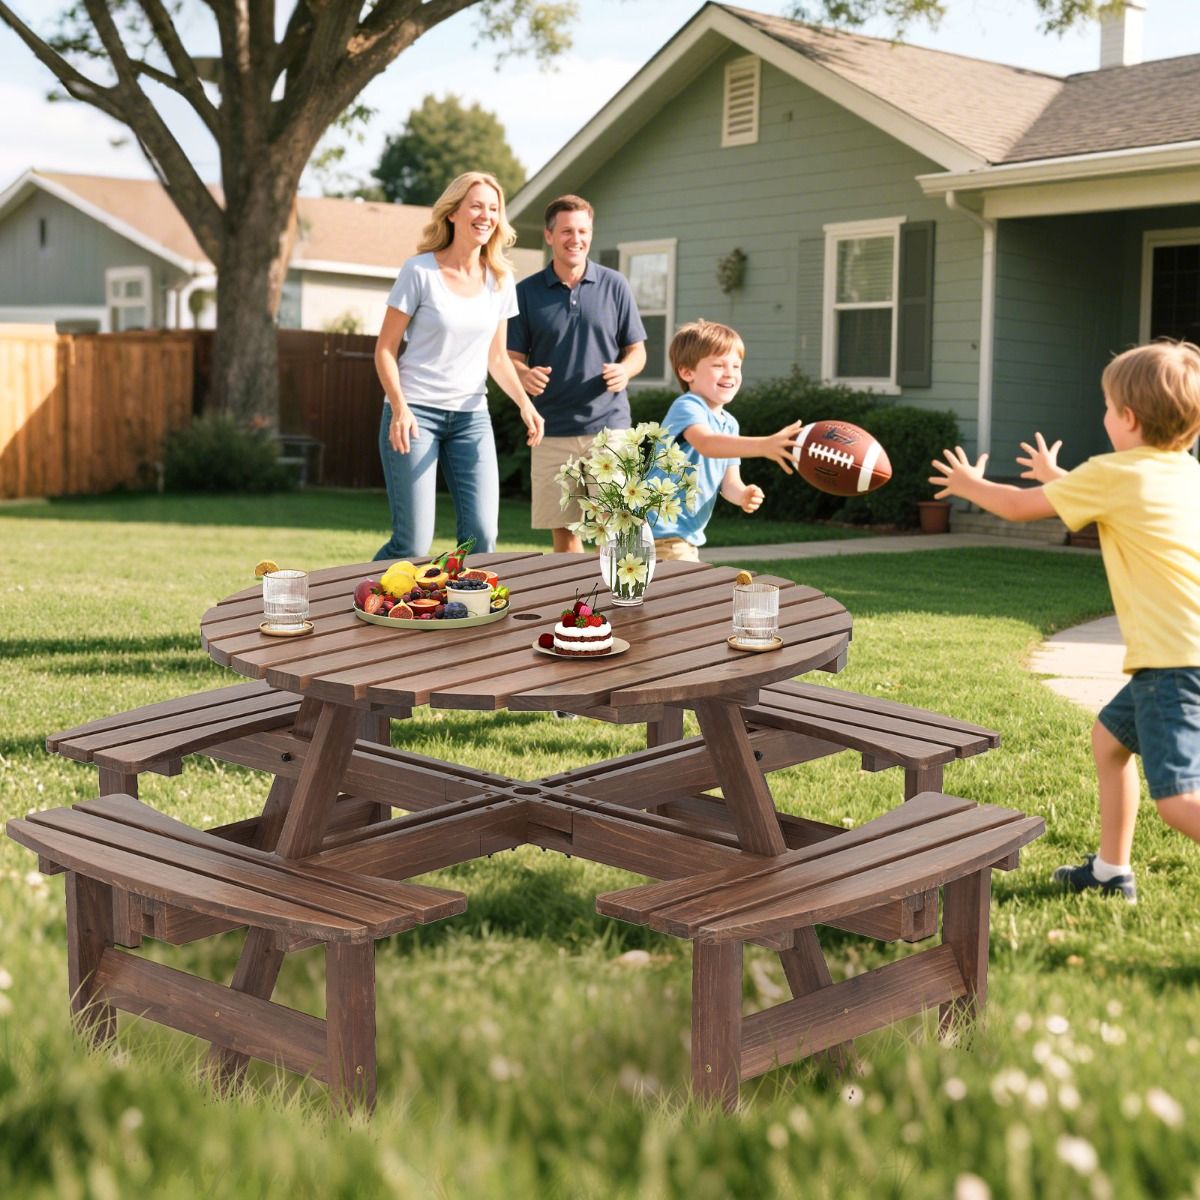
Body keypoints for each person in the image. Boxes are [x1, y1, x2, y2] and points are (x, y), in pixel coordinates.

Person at [929, 340, 1200, 905]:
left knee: (1177, 800)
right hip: (1184, 649)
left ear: (1127, 417)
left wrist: (968, 484)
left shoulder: (1111, 475)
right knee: (1109, 742)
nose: (1103, 415)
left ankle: (1112, 869)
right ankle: (1110, 870)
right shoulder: (1182, 472)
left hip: (1174, 658)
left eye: (1106, 405)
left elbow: (1017, 506)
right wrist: (1063, 478)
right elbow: (1122, 496)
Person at [373, 171, 544, 560]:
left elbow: (497, 357)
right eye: (477, 206)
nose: (486, 216)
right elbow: (385, 348)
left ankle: (464, 611)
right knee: (412, 544)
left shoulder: (500, 280)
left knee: (482, 536)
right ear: (453, 213)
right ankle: (355, 597)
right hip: (416, 415)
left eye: (494, 209)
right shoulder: (419, 272)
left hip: (470, 417)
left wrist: (524, 403)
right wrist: (399, 407)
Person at [507, 195, 647, 553]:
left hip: (609, 426)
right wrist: (523, 374)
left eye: (583, 230)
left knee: (615, 526)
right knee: (565, 533)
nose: (576, 238)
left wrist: (625, 370)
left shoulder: (615, 285)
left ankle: (621, 602)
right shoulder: (526, 293)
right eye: (567, 230)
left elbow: (637, 351)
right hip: (551, 428)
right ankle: (581, 606)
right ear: (549, 236)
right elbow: (509, 357)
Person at [650, 319, 801, 561]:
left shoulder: (729, 424)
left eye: (736, 365)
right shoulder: (687, 406)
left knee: (677, 596)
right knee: (686, 595)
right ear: (687, 372)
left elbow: (729, 483)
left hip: (684, 537)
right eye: (719, 365)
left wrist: (742, 494)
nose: (730, 373)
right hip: (658, 533)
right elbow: (707, 444)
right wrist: (764, 445)